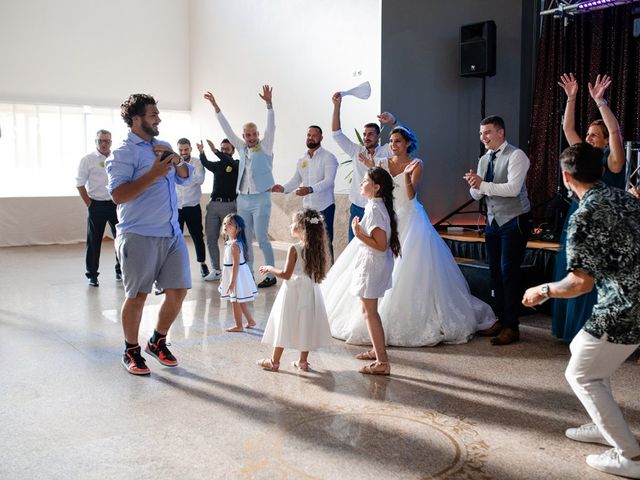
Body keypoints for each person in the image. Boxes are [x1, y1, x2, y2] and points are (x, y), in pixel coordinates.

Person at [523, 143, 640, 479]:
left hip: (624, 305)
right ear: (601, 171)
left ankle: (630, 455)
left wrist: (541, 290)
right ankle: (602, 423)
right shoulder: (625, 198)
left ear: (565, 177)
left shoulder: (583, 216)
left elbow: (579, 284)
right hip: (631, 298)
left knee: (581, 374)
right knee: (580, 350)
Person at [323, 127, 496, 347]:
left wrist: (405, 175)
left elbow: (411, 194)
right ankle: (370, 314)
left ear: (407, 144)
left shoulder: (417, 164)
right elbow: (374, 187)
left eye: (397, 141)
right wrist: (370, 168)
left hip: (410, 219)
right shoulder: (383, 162)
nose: (393, 145)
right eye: (392, 141)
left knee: (409, 267)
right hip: (387, 218)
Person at [106, 93, 194, 376]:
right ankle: (131, 350)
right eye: (153, 114)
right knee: (138, 296)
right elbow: (119, 195)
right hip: (139, 234)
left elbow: (185, 176)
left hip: (171, 233)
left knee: (179, 291)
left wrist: (175, 159)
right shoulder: (122, 153)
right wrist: (154, 174)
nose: (158, 119)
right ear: (136, 119)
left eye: (158, 114)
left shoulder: (161, 146)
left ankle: (157, 340)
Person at [552, 73, 626, 343]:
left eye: (595, 135)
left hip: (603, 222)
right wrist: (571, 98)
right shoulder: (583, 158)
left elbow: (616, 132)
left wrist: (600, 102)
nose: (589, 139)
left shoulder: (613, 161)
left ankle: (594, 334)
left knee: (592, 277)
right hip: (577, 216)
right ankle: (570, 330)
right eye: (588, 135)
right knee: (571, 271)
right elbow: (567, 130)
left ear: (606, 141)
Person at [464, 115, 532, 346]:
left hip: (515, 220)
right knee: (494, 273)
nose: (483, 137)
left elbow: (513, 189)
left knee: (508, 273)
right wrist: (474, 185)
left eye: (487, 133)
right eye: (481, 133)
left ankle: (512, 326)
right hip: (493, 222)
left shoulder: (517, 155)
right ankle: (500, 320)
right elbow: (478, 195)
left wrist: (482, 184)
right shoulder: (484, 159)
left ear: (501, 133)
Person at [204, 86, 277, 288]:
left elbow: (272, 127)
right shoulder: (241, 147)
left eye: (253, 134)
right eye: (247, 135)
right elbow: (226, 129)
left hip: (261, 198)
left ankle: (271, 274)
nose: (251, 137)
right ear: (244, 136)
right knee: (244, 238)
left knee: (262, 238)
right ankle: (249, 273)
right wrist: (215, 107)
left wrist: (269, 105)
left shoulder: (266, 146)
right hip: (243, 199)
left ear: (257, 134)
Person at [257, 209, 332, 372]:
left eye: (293, 222)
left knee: (285, 322)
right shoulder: (317, 247)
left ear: (300, 227)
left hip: (293, 290)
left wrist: (270, 268)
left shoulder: (295, 248)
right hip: (310, 289)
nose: (291, 225)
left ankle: (274, 361)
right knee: (305, 323)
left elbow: (286, 274)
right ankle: (303, 361)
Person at [330, 92, 400, 241]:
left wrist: (393, 122)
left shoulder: (386, 150)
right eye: (364, 134)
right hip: (357, 207)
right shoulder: (356, 151)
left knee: (379, 245)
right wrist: (337, 106)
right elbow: (337, 134)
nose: (366, 137)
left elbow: (402, 137)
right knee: (353, 247)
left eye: (370, 134)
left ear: (378, 136)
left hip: (380, 207)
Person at [271, 126, 339, 259]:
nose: (311, 138)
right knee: (308, 242)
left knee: (325, 242)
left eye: (314, 135)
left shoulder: (329, 157)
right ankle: (313, 273)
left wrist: (309, 189)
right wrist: (283, 189)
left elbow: (329, 181)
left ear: (321, 138)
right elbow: (296, 180)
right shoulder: (302, 159)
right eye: (309, 135)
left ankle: (330, 274)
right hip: (308, 208)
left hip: (325, 207)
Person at [76, 129, 121, 286]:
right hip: (96, 204)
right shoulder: (87, 160)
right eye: (101, 141)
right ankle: (92, 275)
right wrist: (89, 204)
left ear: (111, 142)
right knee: (94, 241)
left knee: (121, 239)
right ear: (96, 142)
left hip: (116, 204)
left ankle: (120, 270)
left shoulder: (116, 158)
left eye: (107, 141)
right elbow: (80, 184)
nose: (104, 144)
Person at [197, 138, 239, 281]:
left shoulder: (236, 164)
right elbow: (206, 163)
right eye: (222, 149)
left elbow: (230, 163)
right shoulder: (218, 165)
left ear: (233, 151)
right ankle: (216, 270)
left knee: (230, 239)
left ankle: (231, 268)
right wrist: (202, 152)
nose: (224, 151)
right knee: (211, 238)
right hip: (214, 204)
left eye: (227, 149)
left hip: (229, 205)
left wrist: (215, 151)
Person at [175, 137, 209, 278]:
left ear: (190, 149)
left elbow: (200, 179)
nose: (183, 152)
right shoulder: (173, 163)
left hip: (192, 206)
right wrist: (190, 177)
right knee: (175, 238)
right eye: (181, 150)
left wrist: (184, 177)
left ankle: (202, 264)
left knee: (197, 236)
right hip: (176, 207)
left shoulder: (197, 162)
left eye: (186, 149)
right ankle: (175, 267)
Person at [218, 214, 257, 332]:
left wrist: (232, 282)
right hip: (233, 275)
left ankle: (238, 325)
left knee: (234, 301)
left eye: (230, 224)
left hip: (236, 276)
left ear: (238, 228)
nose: (226, 226)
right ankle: (251, 321)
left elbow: (235, 266)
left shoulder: (234, 245)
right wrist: (224, 277)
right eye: (225, 223)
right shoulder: (230, 243)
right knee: (240, 301)